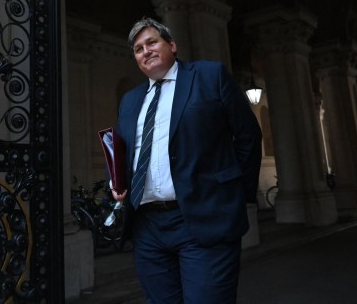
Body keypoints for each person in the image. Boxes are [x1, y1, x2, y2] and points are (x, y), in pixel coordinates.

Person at [112, 17, 262, 303]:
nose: (146, 51)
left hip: (203, 218)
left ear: (172, 45)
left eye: (152, 42)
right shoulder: (130, 101)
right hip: (148, 228)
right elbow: (125, 151)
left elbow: (248, 137)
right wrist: (117, 181)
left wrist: (235, 195)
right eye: (138, 48)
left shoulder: (209, 76)